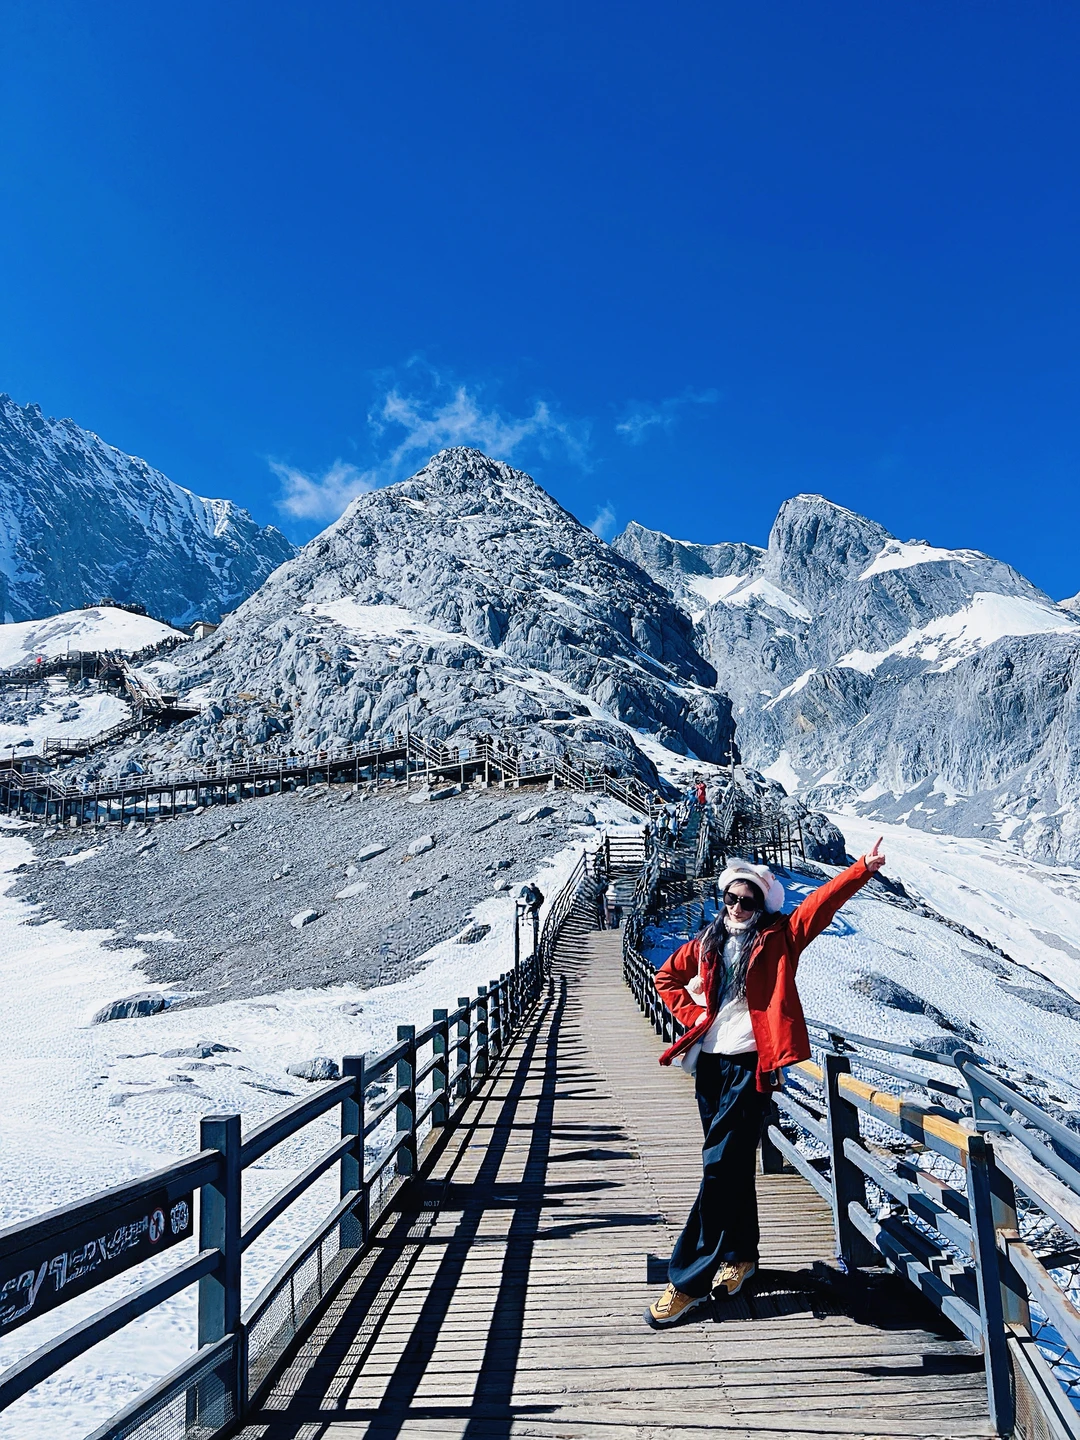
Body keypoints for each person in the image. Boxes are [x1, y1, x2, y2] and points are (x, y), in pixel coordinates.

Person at [645, 839, 886, 1328]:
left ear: (761, 906)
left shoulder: (780, 937)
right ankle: (742, 1255)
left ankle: (687, 1280)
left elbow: (820, 905)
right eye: (731, 899)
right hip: (709, 1065)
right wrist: (696, 1014)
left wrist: (861, 869)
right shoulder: (708, 943)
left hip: (751, 1066)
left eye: (747, 901)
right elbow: (665, 978)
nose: (737, 908)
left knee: (718, 1167)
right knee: (731, 1164)